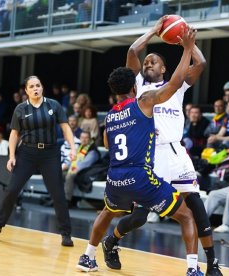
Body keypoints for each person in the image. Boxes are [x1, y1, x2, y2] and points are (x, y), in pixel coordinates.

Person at [76, 25, 202, 276]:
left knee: (108, 211)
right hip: (141, 176)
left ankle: (87, 256)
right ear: (134, 86)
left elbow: (106, 144)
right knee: (187, 216)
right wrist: (187, 48)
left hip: (114, 177)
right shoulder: (143, 103)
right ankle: (192, 269)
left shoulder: (110, 116)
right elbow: (175, 82)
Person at [105, 17, 221, 275]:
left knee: (195, 205)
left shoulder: (177, 84)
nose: (147, 63)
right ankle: (111, 240)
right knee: (139, 217)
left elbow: (200, 63)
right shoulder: (138, 87)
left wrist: (186, 43)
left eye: (153, 61)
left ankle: (209, 264)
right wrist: (155, 31)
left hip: (176, 152)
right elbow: (133, 51)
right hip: (148, 155)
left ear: (164, 69)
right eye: (147, 62)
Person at [0, 76, 77, 247]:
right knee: (12, 190)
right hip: (27, 153)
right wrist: (12, 156)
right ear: (26, 91)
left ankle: (66, 234)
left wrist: (73, 147)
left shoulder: (53, 105)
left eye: (38, 85)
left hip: (50, 153)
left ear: (42, 88)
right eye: (32, 86)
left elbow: (65, 127)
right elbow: (14, 134)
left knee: (58, 194)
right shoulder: (20, 109)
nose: (36, 89)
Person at [64, 131, 100, 206]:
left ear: (90, 139)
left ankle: (67, 200)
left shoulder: (92, 150)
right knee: (59, 174)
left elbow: (84, 164)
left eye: (86, 138)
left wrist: (71, 170)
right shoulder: (80, 147)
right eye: (82, 137)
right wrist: (65, 167)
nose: (84, 139)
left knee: (70, 176)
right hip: (76, 169)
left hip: (85, 173)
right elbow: (73, 160)